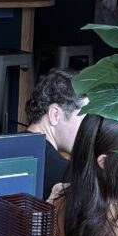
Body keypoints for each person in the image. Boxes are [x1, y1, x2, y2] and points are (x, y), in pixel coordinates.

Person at [25, 68, 87, 198]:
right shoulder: (65, 175)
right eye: (85, 120)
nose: (89, 129)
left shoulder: (2, 148)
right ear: (55, 114)